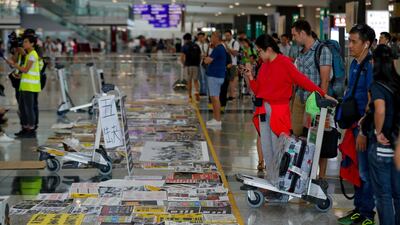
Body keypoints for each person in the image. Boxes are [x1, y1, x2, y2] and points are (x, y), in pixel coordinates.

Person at [243, 34, 334, 182]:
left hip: (278, 112)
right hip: (264, 110)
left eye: (260, 51)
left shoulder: (284, 62)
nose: (258, 54)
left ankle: (279, 184)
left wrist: (322, 93)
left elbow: (302, 80)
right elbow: (258, 90)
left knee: (278, 150)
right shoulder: (264, 65)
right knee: (267, 150)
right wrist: (251, 77)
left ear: (269, 49)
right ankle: (272, 181)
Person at [337, 23, 376, 225]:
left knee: (366, 171)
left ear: (367, 44)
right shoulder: (353, 64)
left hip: (366, 127)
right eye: (349, 41)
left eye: (354, 42)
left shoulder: (371, 65)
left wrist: (363, 129)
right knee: (358, 170)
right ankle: (359, 209)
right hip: (354, 125)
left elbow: (373, 99)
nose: (349, 45)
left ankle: (368, 214)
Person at [361, 44, 400, 225]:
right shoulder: (398, 83)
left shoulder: (377, 85)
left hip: (382, 146)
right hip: (397, 145)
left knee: (384, 195)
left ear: (375, 63)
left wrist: (377, 132)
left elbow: (380, 109)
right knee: (398, 194)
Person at [290, 20, 332, 184]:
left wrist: (321, 108)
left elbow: (325, 81)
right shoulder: (300, 52)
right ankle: (303, 175)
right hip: (300, 100)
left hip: (314, 103)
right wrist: (292, 101)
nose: (293, 38)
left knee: (318, 140)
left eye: (294, 34)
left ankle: (320, 179)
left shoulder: (323, 51)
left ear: (302, 33)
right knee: (298, 137)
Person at [6, 35, 41, 138]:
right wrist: (19, 74)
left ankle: (31, 129)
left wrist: (15, 65)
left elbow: (26, 69)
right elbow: (25, 72)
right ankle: (25, 128)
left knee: (29, 108)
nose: (24, 44)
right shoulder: (29, 54)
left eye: (26, 42)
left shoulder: (32, 55)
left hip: (30, 86)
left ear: (32, 44)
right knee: (22, 108)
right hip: (24, 85)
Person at [203, 32, 227, 127]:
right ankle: (216, 118)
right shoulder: (219, 48)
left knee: (215, 98)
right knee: (214, 97)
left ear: (217, 38)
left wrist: (205, 58)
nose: (211, 39)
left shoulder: (218, 48)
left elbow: (207, 60)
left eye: (212, 37)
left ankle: (217, 119)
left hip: (214, 76)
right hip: (217, 75)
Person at [181, 33, 201, 102]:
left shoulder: (185, 46)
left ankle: (189, 95)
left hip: (188, 66)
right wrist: (198, 64)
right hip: (196, 66)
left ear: (185, 39)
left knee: (189, 81)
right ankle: (197, 92)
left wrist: (184, 64)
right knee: (195, 80)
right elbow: (200, 56)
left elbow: (182, 57)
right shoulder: (196, 45)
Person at [224, 30, 240, 100]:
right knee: (228, 81)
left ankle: (232, 95)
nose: (227, 37)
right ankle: (230, 94)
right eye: (226, 35)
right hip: (226, 64)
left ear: (231, 35)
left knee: (232, 80)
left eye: (228, 35)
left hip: (233, 64)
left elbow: (235, 53)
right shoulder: (225, 43)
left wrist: (228, 48)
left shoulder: (235, 43)